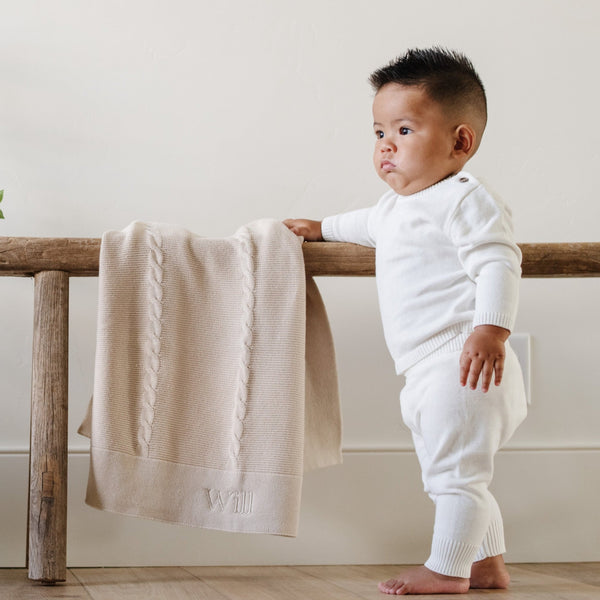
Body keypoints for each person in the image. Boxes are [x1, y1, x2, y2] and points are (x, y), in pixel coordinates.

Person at [284, 47, 527, 595]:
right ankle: (486, 563)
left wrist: (490, 327)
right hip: (424, 369)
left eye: (404, 129)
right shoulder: (395, 208)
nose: (386, 145)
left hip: (463, 360)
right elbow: (365, 222)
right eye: (377, 132)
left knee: (455, 478)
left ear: (460, 141)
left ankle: (447, 569)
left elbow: (497, 260)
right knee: (449, 474)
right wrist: (322, 227)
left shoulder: (465, 199)